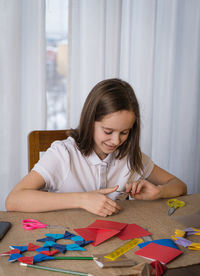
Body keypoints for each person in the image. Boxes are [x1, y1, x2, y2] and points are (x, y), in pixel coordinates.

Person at [6, 78, 187, 217]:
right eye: (108, 131)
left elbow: (179, 186)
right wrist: (81, 199)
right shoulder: (63, 154)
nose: (116, 141)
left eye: (124, 132)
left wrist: (160, 192)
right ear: (89, 121)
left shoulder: (131, 157)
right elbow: (14, 200)